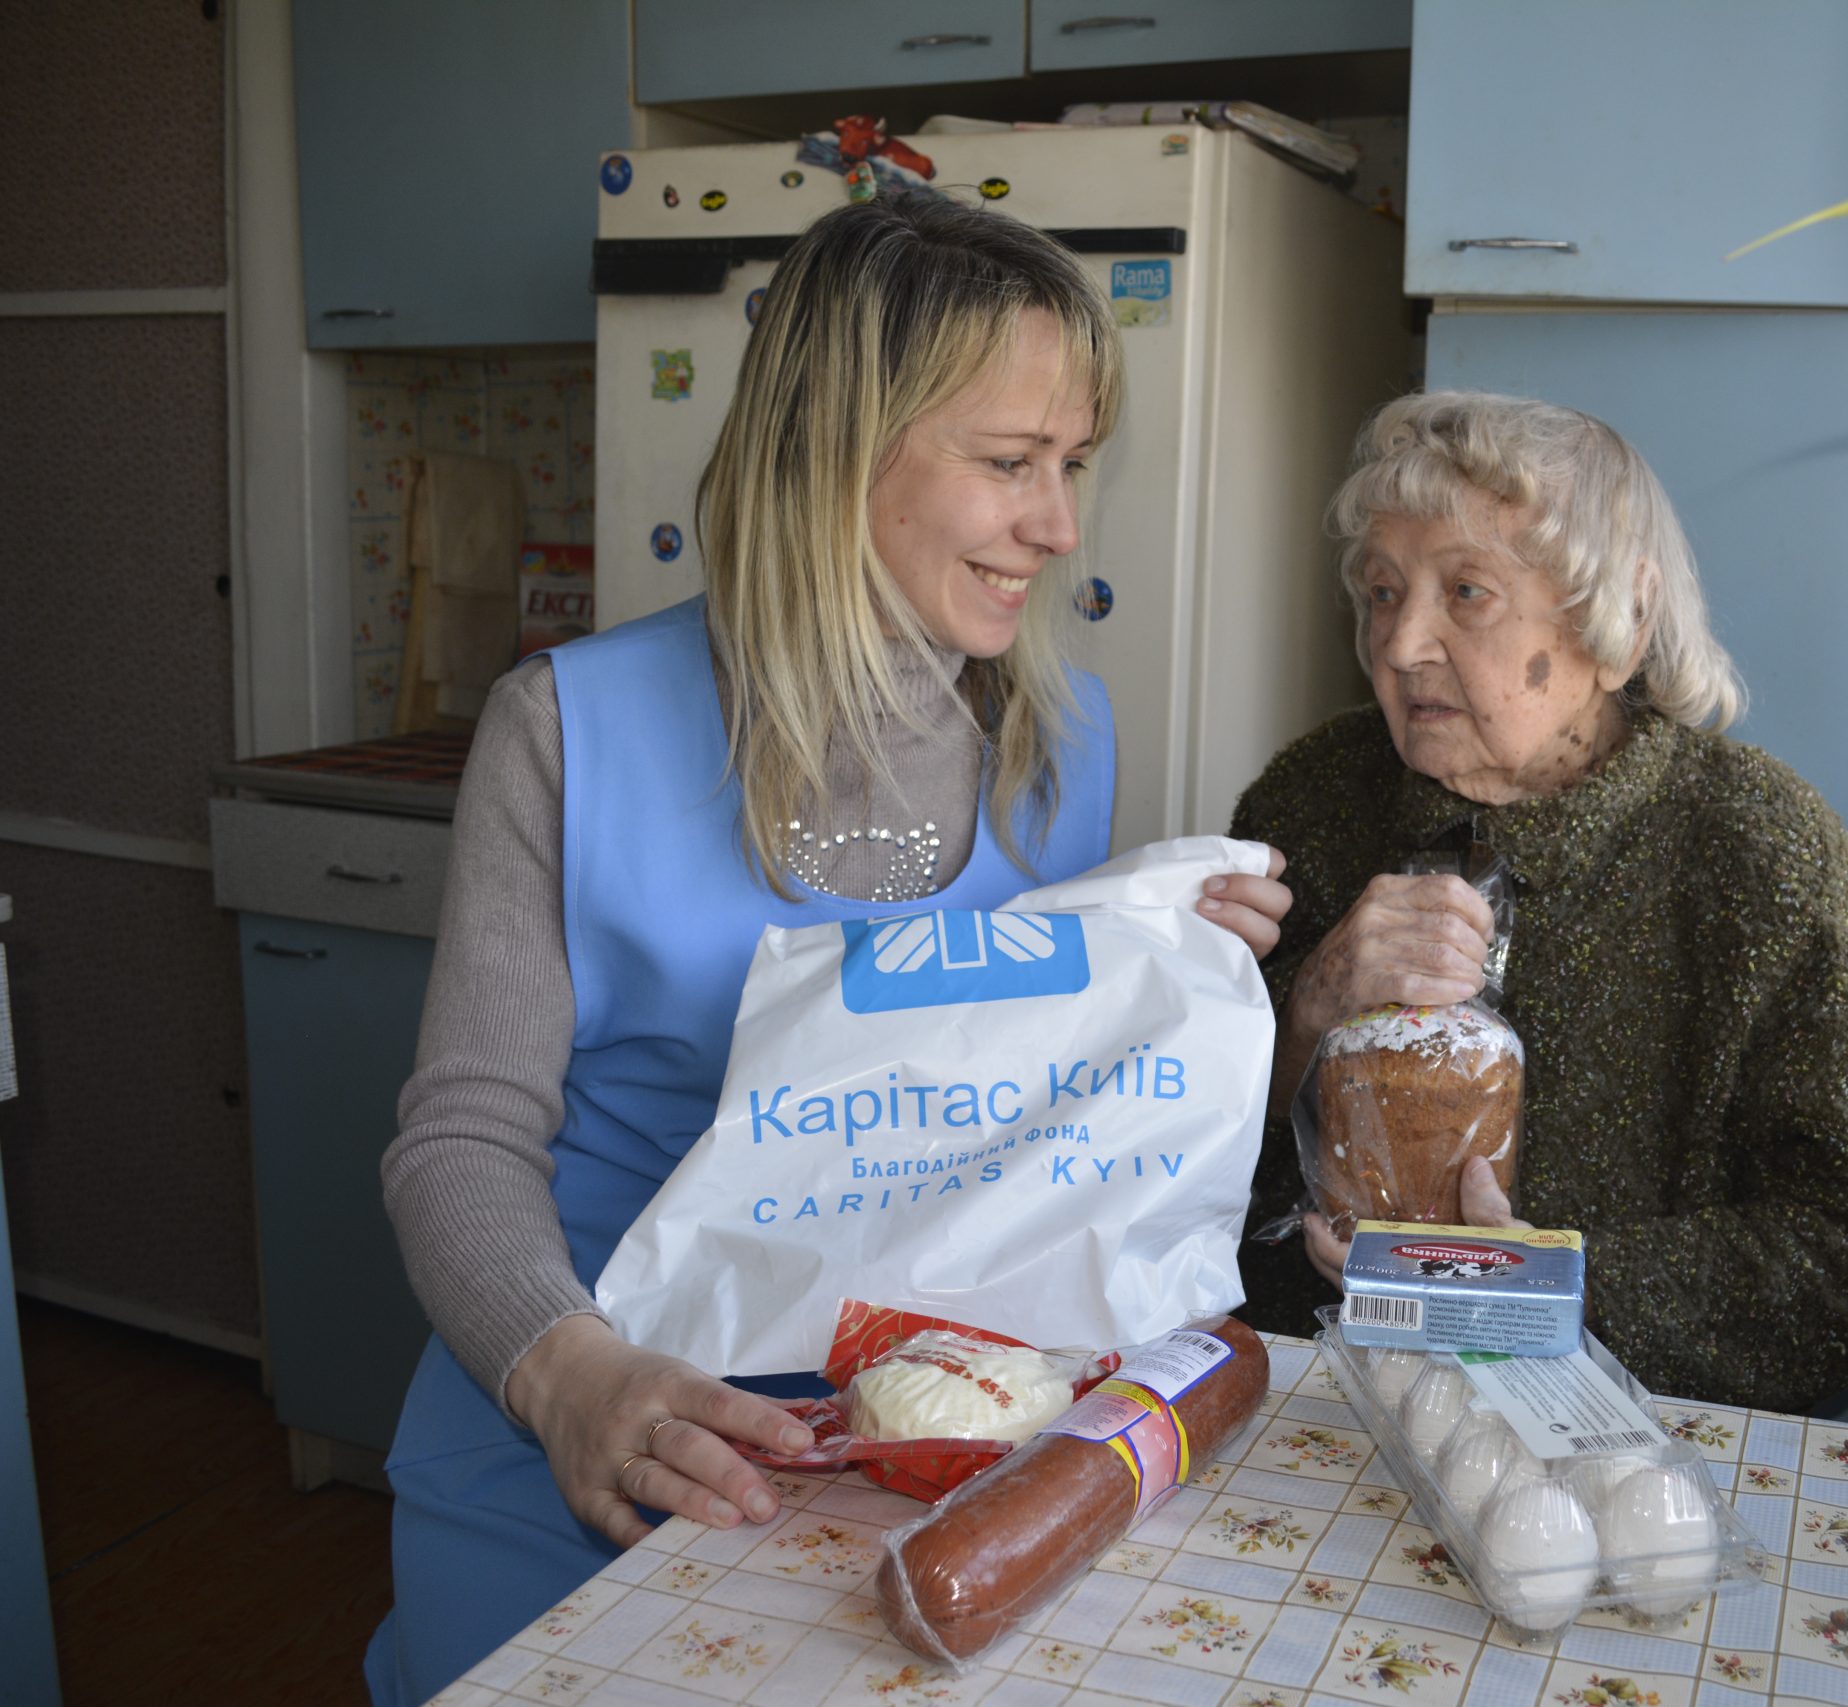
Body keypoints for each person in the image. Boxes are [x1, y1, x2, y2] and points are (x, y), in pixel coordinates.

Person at [365, 196, 1291, 1706]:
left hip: (921, 1454)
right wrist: (567, 1371)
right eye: (1010, 463)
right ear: (837, 451)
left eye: (1072, 466)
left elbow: (1024, 1133)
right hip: (598, 1432)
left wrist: (1150, 981)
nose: (1059, 525)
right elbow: (460, 1137)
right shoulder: (568, 730)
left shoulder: (1063, 745)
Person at [1232, 391, 1848, 1413]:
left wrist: (1549, 1286)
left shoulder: (1753, 847)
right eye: (1382, 591)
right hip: (1308, 1411)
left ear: (1618, 624)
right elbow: (1160, 1164)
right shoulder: (1312, 801)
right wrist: (1301, 1015)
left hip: (1616, 1442)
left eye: (1466, 592)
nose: (1400, 645)